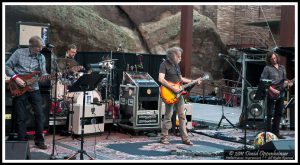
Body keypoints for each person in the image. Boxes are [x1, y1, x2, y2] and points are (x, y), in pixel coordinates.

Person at [5, 36, 48, 149]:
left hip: (34, 88)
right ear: (31, 46)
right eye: (38, 48)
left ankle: (39, 140)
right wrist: (16, 78)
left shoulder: (41, 57)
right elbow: (6, 66)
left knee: (39, 114)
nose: (40, 49)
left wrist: (46, 76)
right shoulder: (19, 53)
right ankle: (21, 142)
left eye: (41, 47)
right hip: (19, 87)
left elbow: (43, 73)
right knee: (21, 116)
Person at [159, 47, 201, 146]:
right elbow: (161, 79)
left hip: (179, 95)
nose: (180, 58)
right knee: (168, 116)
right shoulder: (163, 64)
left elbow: (180, 78)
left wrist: (193, 81)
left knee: (182, 116)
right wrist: (173, 88)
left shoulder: (176, 66)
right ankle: (163, 137)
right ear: (172, 56)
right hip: (169, 94)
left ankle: (185, 138)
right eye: (178, 56)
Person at [260, 51, 293, 139]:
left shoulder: (282, 67)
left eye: (274, 58)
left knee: (279, 114)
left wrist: (289, 83)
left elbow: (285, 80)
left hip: (281, 93)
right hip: (271, 93)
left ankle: (276, 133)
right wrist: (272, 90)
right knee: (269, 114)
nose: (273, 60)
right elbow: (263, 81)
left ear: (277, 58)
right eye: (271, 59)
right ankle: (268, 134)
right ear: (269, 60)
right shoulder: (267, 68)